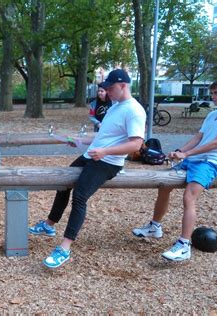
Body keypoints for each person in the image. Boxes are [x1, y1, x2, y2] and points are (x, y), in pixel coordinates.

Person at [29, 69, 146, 268]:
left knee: (80, 195)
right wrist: (80, 141)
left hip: (109, 162)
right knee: (63, 184)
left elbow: (136, 144)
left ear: (123, 86)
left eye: (110, 88)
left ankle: (64, 248)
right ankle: (49, 225)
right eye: (106, 88)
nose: (107, 91)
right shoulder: (115, 106)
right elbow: (104, 136)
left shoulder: (134, 110)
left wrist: (106, 152)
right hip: (91, 155)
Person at [132, 78, 217, 262]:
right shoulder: (212, 115)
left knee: (189, 197)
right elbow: (199, 137)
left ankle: (184, 245)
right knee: (164, 185)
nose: (212, 96)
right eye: (212, 92)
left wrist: (188, 153)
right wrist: (180, 152)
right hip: (192, 159)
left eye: (216, 93)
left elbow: (216, 143)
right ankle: (154, 227)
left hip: (210, 162)